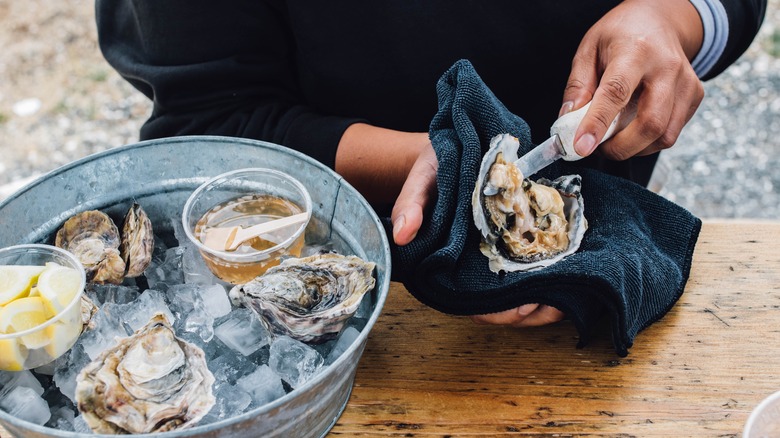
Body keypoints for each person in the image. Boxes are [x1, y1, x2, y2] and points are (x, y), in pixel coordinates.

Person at [96, 0, 766, 327]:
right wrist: (435, 163)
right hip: (342, 291)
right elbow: (209, 122)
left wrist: (674, 20)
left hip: (606, 222)